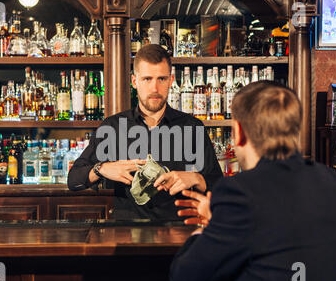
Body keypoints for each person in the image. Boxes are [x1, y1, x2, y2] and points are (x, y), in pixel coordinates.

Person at [170, 81, 336, 281]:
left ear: (238, 132)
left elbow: (185, 280)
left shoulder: (239, 192)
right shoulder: (330, 181)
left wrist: (205, 228)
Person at [67, 44, 222, 220]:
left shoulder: (192, 127)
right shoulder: (113, 127)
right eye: (147, 79)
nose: (155, 88)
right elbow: (73, 180)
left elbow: (219, 186)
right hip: (126, 233)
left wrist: (197, 179)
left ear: (171, 80)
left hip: (178, 232)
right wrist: (102, 168)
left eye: (161, 79)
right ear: (135, 82)